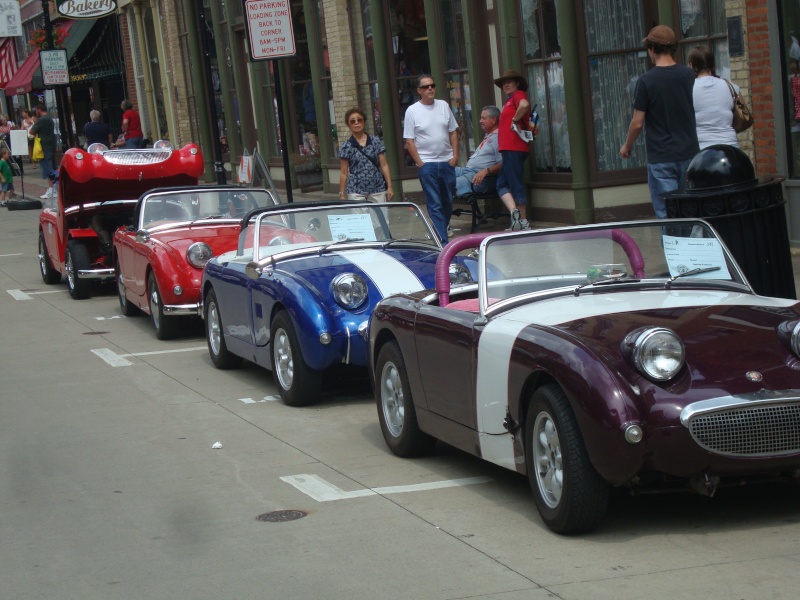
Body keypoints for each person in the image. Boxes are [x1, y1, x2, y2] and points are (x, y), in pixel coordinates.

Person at [620, 25, 699, 219]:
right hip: (689, 152)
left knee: (667, 214)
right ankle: (689, 249)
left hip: (662, 156)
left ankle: (673, 250)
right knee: (689, 212)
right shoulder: (689, 75)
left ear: (652, 49)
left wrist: (627, 145)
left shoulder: (646, 81)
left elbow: (637, 122)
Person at [403, 74, 459, 243]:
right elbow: (409, 141)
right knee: (435, 203)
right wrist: (420, 163)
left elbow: (453, 131)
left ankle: (440, 229)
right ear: (419, 90)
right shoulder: (412, 111)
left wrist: (455, 155)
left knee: (447, 202)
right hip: (427, 164)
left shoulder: (443, 105)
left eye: (432, 86)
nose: (430, 89)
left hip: (446, 162)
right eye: (426, 87)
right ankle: (442, 241)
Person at [494, 70, 534, 231]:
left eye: (509, 81)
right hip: (509, 148)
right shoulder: (509, 100)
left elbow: (524, 105)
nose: (506, 85)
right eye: (504, 83)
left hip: (514, 147)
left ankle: (523, 221)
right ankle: (515, 215)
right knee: (502, 183)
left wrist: (515, 119)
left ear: (517, 83)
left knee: (515, 183)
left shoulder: (518, 95)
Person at [338, 107, 394, 203]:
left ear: (364, 122)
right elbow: (344, 172)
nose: (356, 123)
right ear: (348, 125)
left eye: (359, 120)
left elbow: (384, 165)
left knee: (380, 217)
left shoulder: (375, 141)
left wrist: (389, 187)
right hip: (356, 190)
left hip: (377, 187)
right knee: (360, 218)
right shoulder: (346, 146)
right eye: (352, 121)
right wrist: (342, 193)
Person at [455, 105, 503, 198]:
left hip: (481, 177)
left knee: (450, 184)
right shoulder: (489, 135)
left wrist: (486, 171)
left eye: (483, 118)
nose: (480, 121)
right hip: (467, 171)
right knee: (441, 171)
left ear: (493, 119)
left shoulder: (498, 137)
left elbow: (503, 163)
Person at [30, 103, 58, 199]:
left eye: (36, 110)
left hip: (44, 147)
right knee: (52, 168)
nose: (35, 112)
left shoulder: (41, 120)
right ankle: (54, 189)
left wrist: (35, 122)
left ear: (39, 109)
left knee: (48, 169)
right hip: (51, 146)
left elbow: (31, 131)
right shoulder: (49, 119)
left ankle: (52, 190)